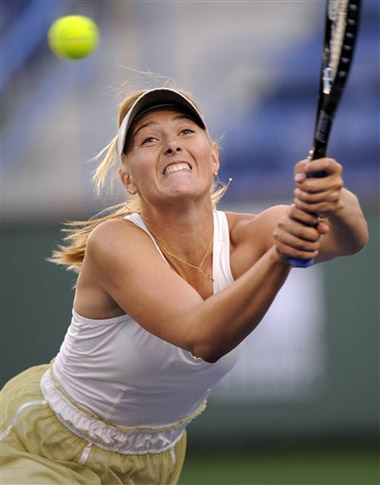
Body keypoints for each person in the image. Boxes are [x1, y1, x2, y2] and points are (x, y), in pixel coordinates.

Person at [0, 87, 368, 484]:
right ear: (129, 180)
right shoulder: (113, 243)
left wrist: (336, 200)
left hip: (153, 463)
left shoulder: (250, 235)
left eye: (186, 132)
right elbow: (202, 336)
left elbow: (347, 240)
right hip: (44, 448)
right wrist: (279, 257)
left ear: (213, 158)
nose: (172, 145)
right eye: (149, 140)